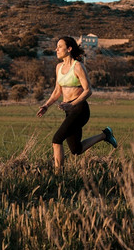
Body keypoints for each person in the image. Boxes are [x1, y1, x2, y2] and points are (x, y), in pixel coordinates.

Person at [36, 36, 117, 171]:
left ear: (69, 49)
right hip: (69, 110)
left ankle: (59, 176)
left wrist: (72, 104)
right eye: (56, 47)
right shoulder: (58, 67)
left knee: (57, 140)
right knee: (76, 149)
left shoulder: (78, 66)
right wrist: (46, 105)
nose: (56, 49)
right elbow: (57, 91)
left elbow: (88, 91)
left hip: (80, 109)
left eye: (60, 46)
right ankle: (105, 135)